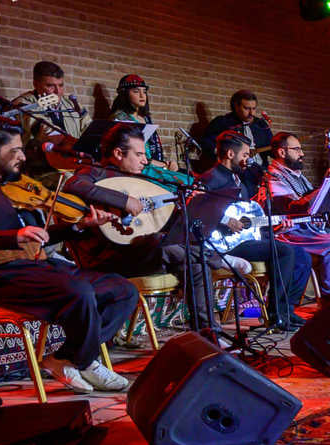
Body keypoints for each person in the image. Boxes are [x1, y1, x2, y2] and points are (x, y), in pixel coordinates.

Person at [0, 116, 138, 394]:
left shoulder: (11, 184)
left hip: (37, 266)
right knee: (79, 292)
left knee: (123, 290)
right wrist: (13, 236)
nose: (22, 156)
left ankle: (68, 358)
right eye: (15, 150)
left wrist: (79, 226)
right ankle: (84, 359)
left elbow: (39, 236)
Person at [61, 123, 219, 332]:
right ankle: (214, 256)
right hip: (109, 258)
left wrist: (188, 205)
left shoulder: (139, 179)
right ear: (118, 153)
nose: (145, 160)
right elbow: (73, 185)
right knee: (166, 244)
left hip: (141, 251)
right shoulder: (94, 171)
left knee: (193, 263)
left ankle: (208, 332)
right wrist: (124, 200)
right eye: (139, 154)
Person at [191, 131, 315, 329]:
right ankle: (276, 314)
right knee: (284, 251)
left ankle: (287, 310)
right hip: (222, 243)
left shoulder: (239, 180)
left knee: (302, 255)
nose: (248, 160)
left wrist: (276, 228)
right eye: (246, 154)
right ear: (230, 154)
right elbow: (195, 207)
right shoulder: (211, 178)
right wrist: (225, 220)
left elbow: (248, 219)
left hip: (243, 238)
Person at [258, 133, 330, 289]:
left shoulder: (296, 175)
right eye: (297, 149)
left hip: (309, 228)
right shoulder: (273, 177)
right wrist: (325, 186)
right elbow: (293, 207)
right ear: (282, 152)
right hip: (291, 231)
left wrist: (328, 184)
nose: (302, 154)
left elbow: (312, 199)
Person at [8, 59, 86, 169]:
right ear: (35, 84)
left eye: (61, 85)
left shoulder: (72, 104)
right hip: (42, 169)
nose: (57, 91)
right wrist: (66, 141)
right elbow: (40, 126)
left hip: (76, 164)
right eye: (50, 86)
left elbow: (88, 127)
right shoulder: (23, 103)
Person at [204, 91, 274, 186]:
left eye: (254, 108)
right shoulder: (222, 122)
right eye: (246, 108)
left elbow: (272, 148)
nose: (251, 113)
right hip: (236, 173)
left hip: (260, 172)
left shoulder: (261, 125)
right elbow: (207, 144)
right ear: (236, 107)